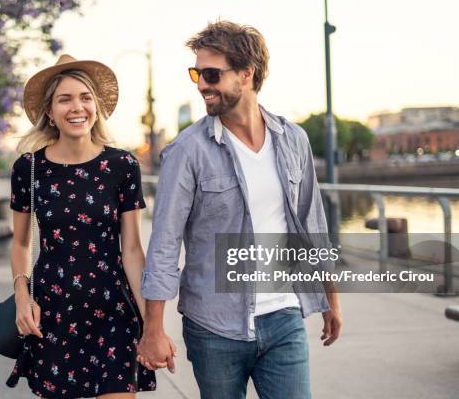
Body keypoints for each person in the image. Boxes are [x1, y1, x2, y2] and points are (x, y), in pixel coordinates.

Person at [136, 21, 343, 399]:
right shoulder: (187, 151)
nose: (201, 85)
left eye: (212, 74)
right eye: (196, 73)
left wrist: (330, 297)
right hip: (214, 327)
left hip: (284, 316)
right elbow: (164, 244)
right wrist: (154, 329)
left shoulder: (292, 139)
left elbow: (313, 223)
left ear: (247, 74)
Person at [6, 54, 156, 398]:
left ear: (96, 106)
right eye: (65, 99)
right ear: (50, 112)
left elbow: (132, 250)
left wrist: (151, 322)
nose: (77, 107)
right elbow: (19, 245)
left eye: (85, 97)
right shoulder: (28, 169)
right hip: (53, 313)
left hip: (113, 311)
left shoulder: (122, 165)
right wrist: (21, 298)